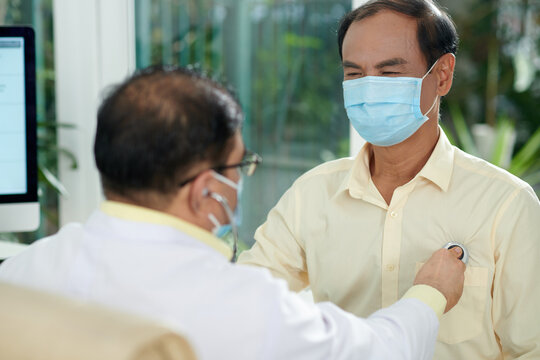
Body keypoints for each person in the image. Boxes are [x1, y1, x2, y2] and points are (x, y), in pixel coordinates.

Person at [0, 65, 465, 360]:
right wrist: (429, 294)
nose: (241, 179)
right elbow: (383, 352)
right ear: (206, 191)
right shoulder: (246, 306)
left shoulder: (24, 271)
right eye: (239, 165)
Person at [238, 1, 540, 359]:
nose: (368, 89)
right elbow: (244, 306)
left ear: (442, 75)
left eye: (389, 73)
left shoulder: (505, 205)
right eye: (354, 74)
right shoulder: (312, 194)